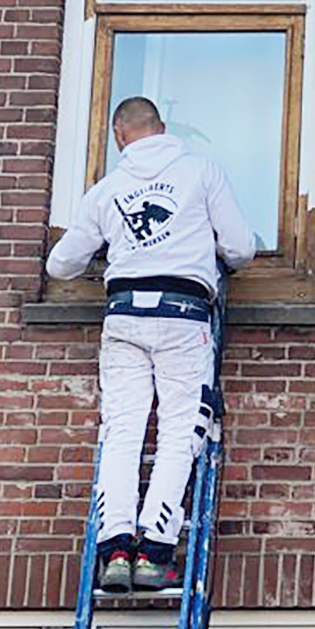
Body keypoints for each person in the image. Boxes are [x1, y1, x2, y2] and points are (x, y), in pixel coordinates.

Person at [47, 97, 256, 591]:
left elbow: (60, 265)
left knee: (122, 431)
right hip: (183, 316)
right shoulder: (202, 172)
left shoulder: (107, 190)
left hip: (123, 316)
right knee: (181, 430)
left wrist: (108, 251)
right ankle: (154, 554)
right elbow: (241, 248)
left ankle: (115, 549)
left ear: (120, 135)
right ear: (162, 129)